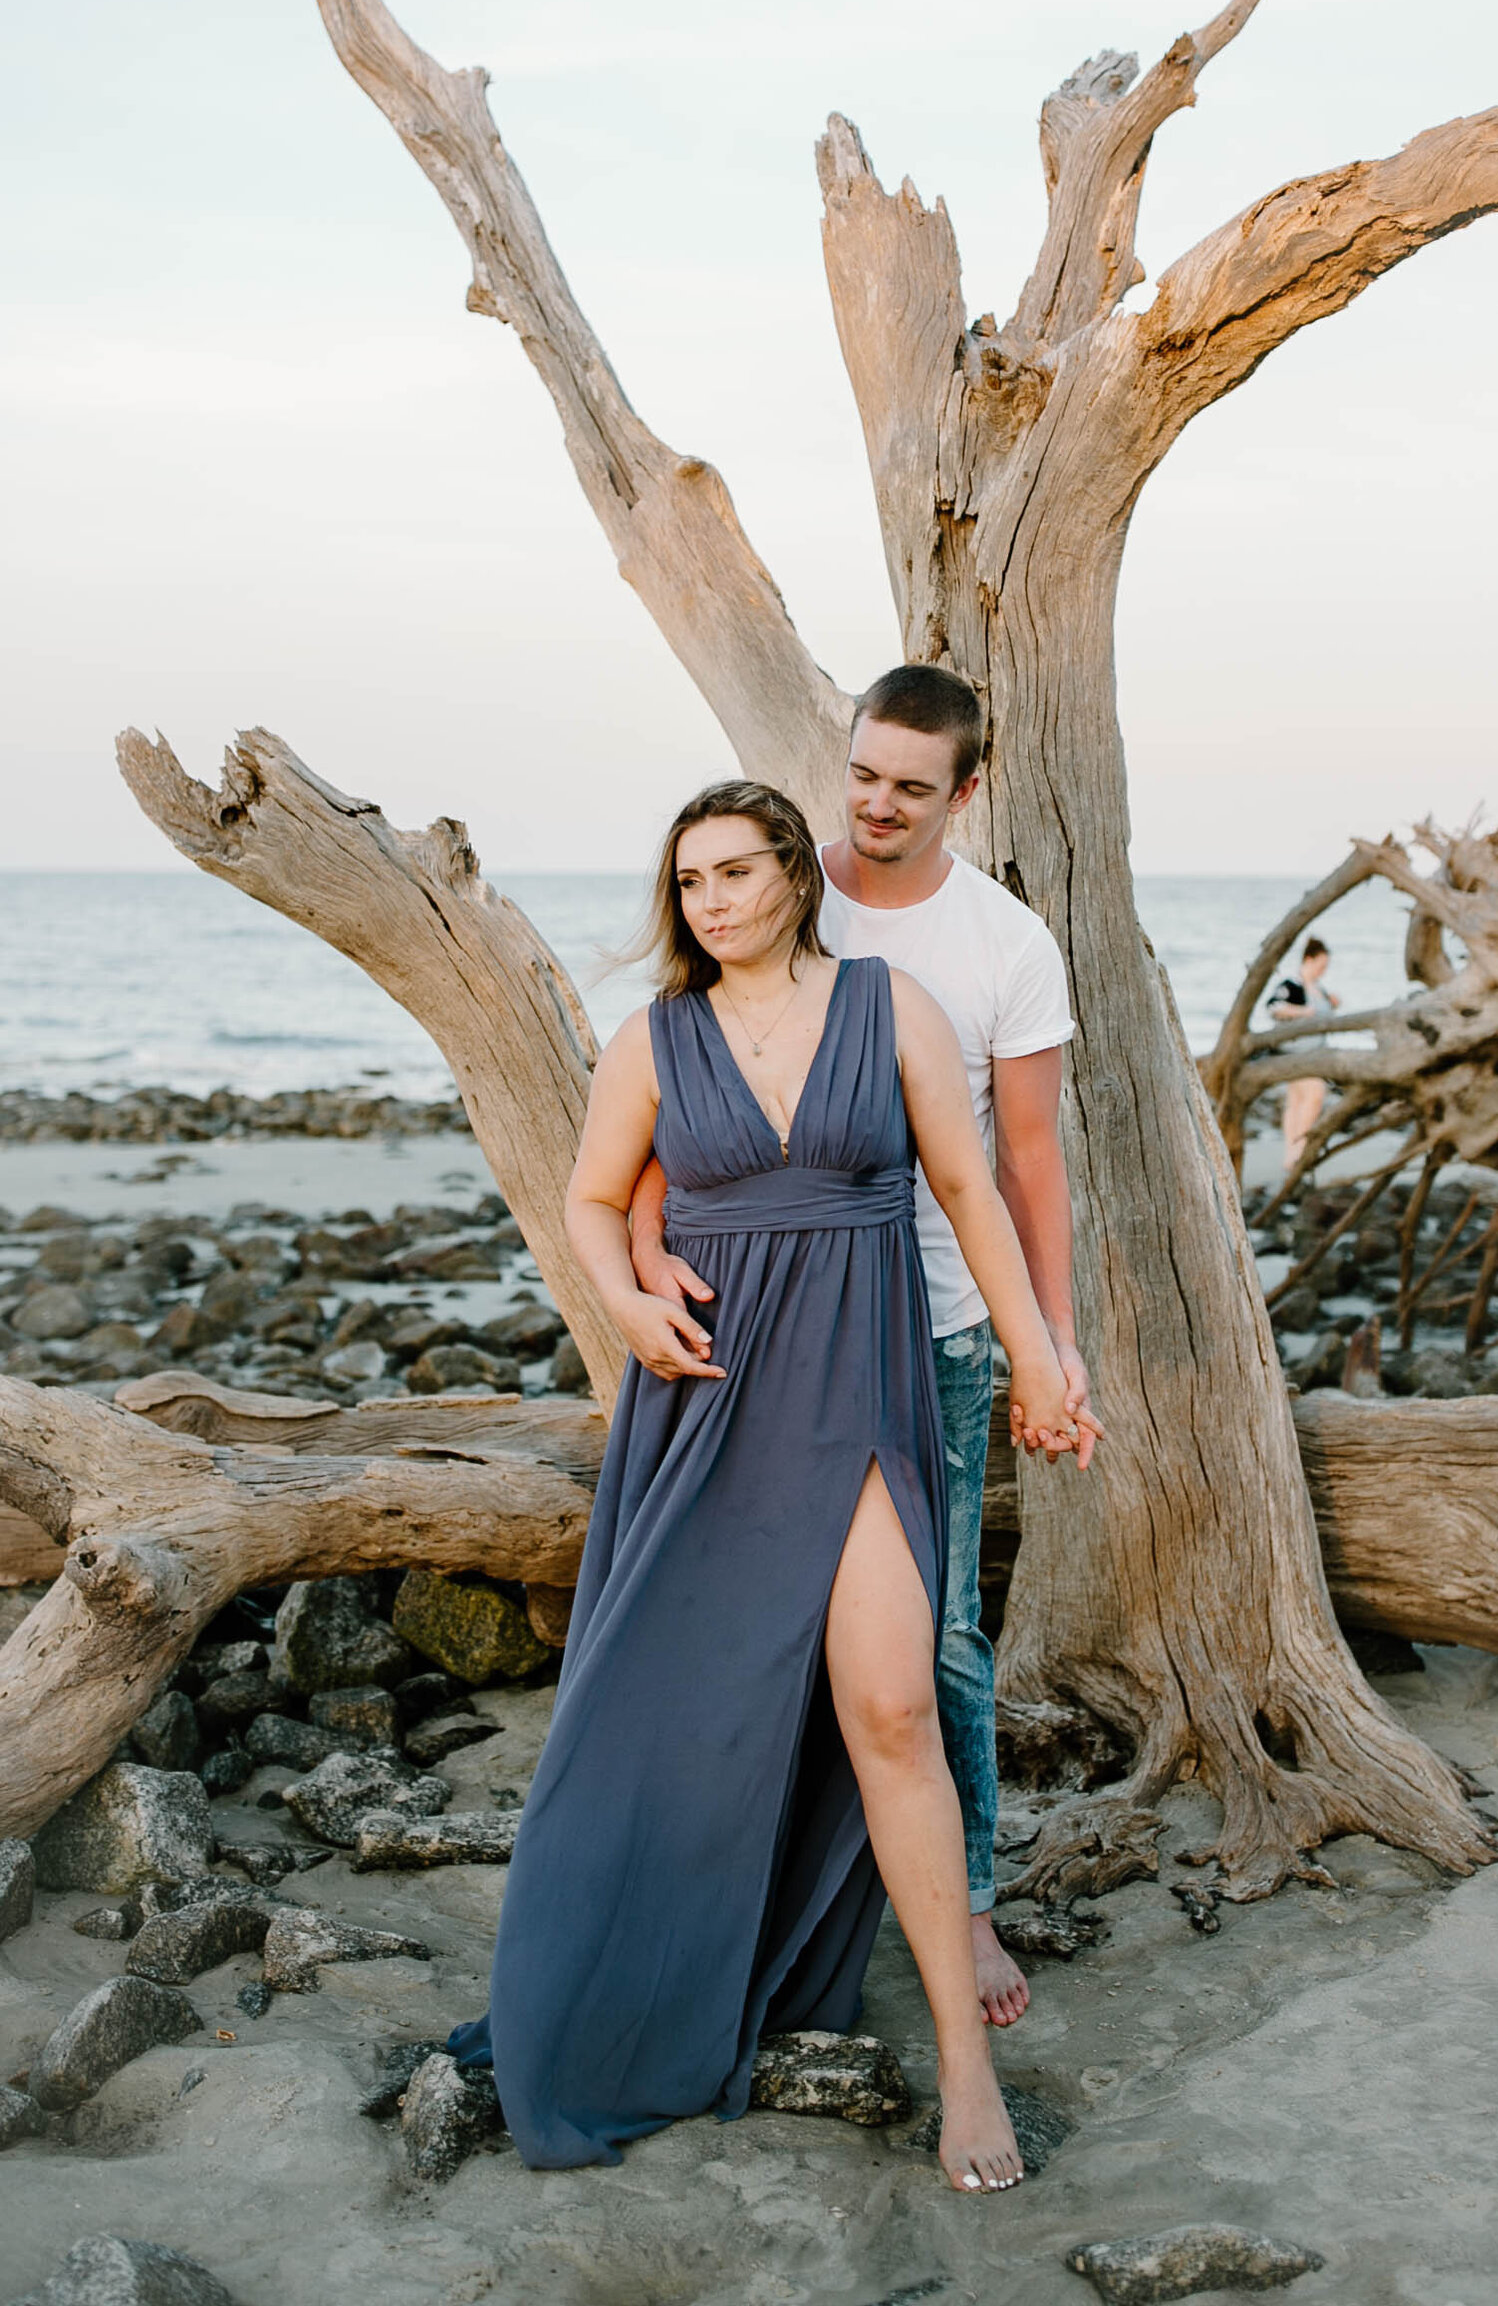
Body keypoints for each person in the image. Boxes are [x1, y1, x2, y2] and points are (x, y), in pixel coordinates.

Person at [449, 779, 1090, 2191]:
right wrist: (622, 1296)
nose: (715, 901)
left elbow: (973, 1194)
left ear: (797, 877)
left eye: (739, 872)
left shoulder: (894, 1009)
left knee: (891, 1700)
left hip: (863, 1394)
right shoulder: (655, 1039)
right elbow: (590, 1199)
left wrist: (1044, 1361)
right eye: (691, 882)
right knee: (662, 1706)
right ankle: (629, 1973)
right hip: (711, 1401)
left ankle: (966, 2072)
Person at [633, 664, 1099, 2032]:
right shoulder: (773, 889)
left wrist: (1047, 1348)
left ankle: (963, 1896)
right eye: (864, 775)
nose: (879, 804)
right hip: (758, 1329)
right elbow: (683, 1083)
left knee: (939, 1638)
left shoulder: (1005, 947)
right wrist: (648, 1245)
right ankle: (769, 1883)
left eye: (912, 784)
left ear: (967, 791)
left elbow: (1023, 1164)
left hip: (936, 1331)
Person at [1268, 935, 1340, 1171]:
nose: (1324, 970)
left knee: (1297, 1101)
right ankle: (1299, 1147)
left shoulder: (1320, 989)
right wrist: (1302, 1012)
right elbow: (1274, 1007)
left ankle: (1291, 1153)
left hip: (1316, 1053)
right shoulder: (1292, 985)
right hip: (1296, 1054)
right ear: (1309, 960)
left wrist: (1333, 1004)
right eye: (1321, 965)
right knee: (1314, 1095)